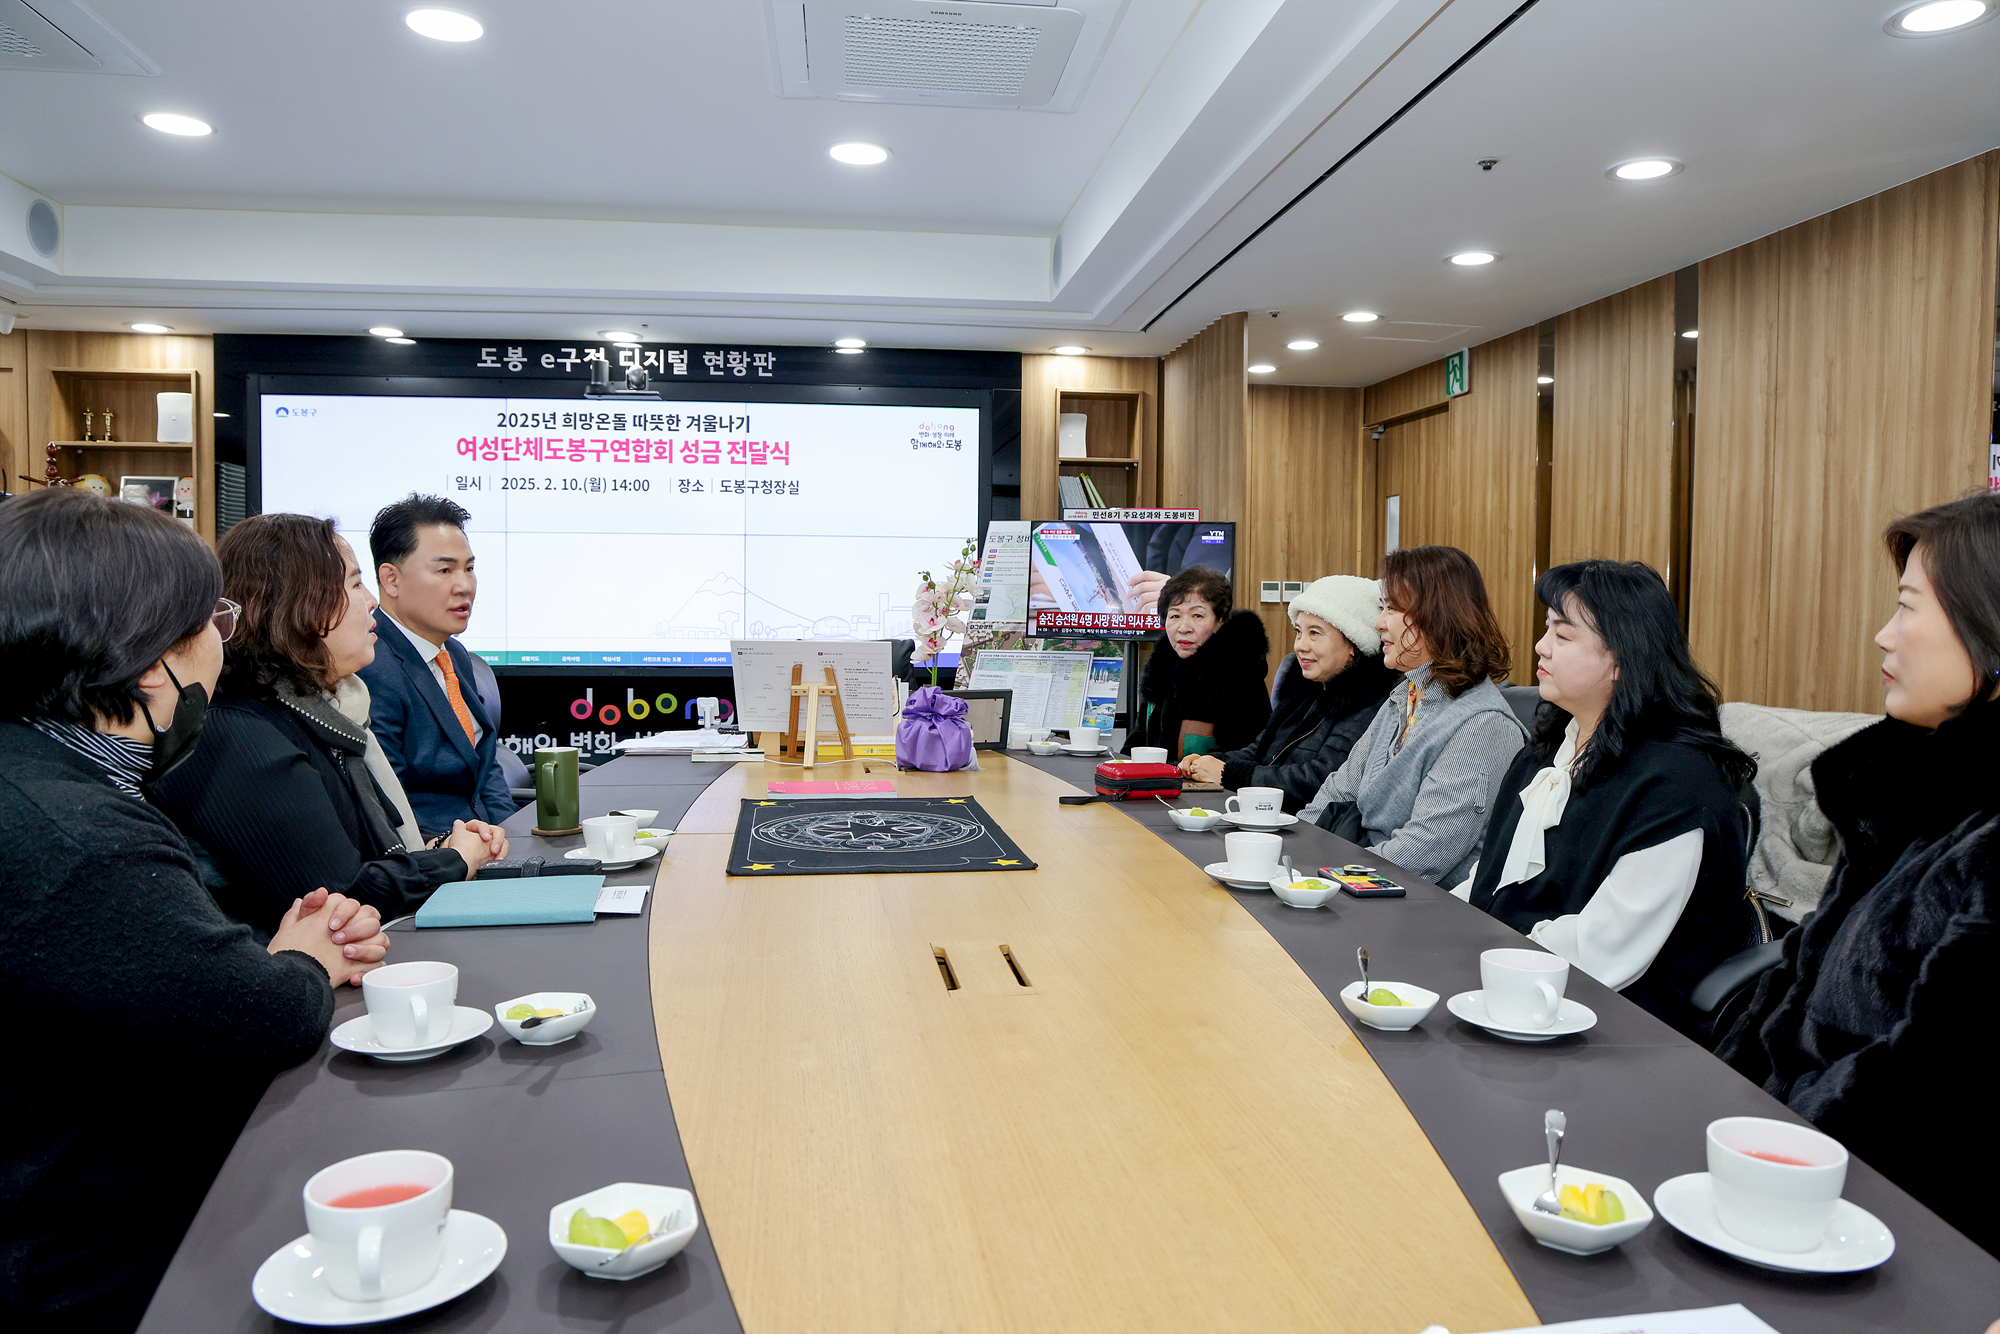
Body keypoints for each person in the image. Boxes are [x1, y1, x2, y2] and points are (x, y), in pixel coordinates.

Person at [0, 489, 389, 1334]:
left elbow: (155, 964)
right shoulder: (75, 833)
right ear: (151, 661)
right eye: (208, 618)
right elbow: (257, 1017)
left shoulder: (41, 771)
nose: (222, 637)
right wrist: (304, 962)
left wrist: (276, 950)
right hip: (100, 1272)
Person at [1718, 494, 2000, 1258]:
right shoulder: (1908, 798)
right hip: (1782, 1169)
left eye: (1908, 606)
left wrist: (1761, 1148)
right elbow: (1797, 987)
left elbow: (1932, 1099)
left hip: (1880, 1223)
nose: (1884, 633)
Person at [151, 514, 508, 934]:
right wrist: (455, 858)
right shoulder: (240, 734)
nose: (371, 601)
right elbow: (343, 894)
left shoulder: (327, 710)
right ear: (304, 605)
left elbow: (366, 844)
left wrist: (439, 845)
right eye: (356, 584)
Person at [1455, 561, 1756, 1038]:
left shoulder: (1677, 783)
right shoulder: (1549, 751)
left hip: (1610, 1023)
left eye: (1563, 634)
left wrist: (1474, 957)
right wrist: (1440, 925)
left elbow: (1603, 951)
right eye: (1546, 628)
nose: (1541, 645)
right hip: (1511, 982)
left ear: (1621, 659)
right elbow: (1489, 877)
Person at [1300, 545, 1525, 886]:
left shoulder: (1485, 724)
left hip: (1419, 908)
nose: (1378, 622)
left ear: (1437, 616)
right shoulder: (1403, 697)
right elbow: (1339, 791)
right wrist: (1291, 851)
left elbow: (1422, 852)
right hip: (1360, 879)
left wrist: (1321, 875)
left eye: (1391, 608)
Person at [357, 494, 517, 833]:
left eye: (469, 569)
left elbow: (483, 768)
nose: (464, 586)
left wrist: (513, 835)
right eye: (444, 570)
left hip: (489, 849)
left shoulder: (453, 654)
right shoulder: (371, 664)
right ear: (391, 580)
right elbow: (389, 802)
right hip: (437, 861)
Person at [1180, 575, 1400, 811]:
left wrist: (1228, 774)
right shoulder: (1305, 693)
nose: (1300, 646)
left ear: (1353, 644)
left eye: (1314, 633)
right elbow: (1260, 750)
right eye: (1299, 632)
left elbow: (1320, 779)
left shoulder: (1368, 704)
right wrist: (1208, 763)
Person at [1124, 566, 1270, 759]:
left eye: (1197, 616)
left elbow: (1249, 758)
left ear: (1221, 621)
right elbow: (1134, 747)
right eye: (1175, 616)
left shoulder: (1242, 680)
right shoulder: (1161, 674)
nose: (1183, 628)